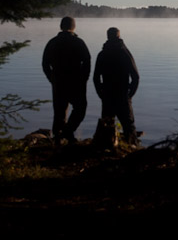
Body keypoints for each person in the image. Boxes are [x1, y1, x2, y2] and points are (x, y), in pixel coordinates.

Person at [42, 16, 91, 145]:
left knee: (59, 111)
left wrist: (51, 78)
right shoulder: (78, 42)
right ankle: (68, 132)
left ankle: (58, 139)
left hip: (58, 81)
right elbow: (87, 61)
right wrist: (84, 78)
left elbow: (44, 64)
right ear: (74, 27)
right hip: (76, 81)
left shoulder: (52, 42)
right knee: (80, 108)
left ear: (60, 26)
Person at [93, 27, 140, 147]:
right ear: (119, 36)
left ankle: (106, 147)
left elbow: (96, 78)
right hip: (122, 94)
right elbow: (135, 76)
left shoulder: (102, 54)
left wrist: (101, 93)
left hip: (107, 94)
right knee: (128, 124)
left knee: (107, 124)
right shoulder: (125, 53)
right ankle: (132, 146)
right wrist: (130, 94)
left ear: (107, 37)